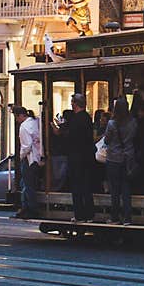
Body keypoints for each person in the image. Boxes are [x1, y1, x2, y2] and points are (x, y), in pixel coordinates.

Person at [104, 96, 137, 224]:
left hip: (113, 158)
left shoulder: (112, 123)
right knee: (126, 188)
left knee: (114, 190)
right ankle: (127, 217)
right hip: (128, 157)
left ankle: (115, 217)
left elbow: (107, 140)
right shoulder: (133, 122)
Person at [66, 93, 95, 221]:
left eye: (72, 102)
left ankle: (79, 214)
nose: (71, 104)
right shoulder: (87, 118)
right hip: (87, 156)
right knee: (87, 186)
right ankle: (89, 214)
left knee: (77, 187)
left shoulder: (76, 119)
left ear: (76, 104)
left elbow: (71, 138)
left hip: (76, 157)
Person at [13, 106, 43, 219]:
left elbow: (26, 146)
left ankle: (31, 209)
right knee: (27, 184)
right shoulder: (36, 121)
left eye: (16, 117)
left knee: (28, 185)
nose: (16, 120)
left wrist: (20, 157)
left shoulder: (24, 127)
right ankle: (25, 207)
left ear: (20, 116)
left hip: (30, 159)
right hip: (39, 157)